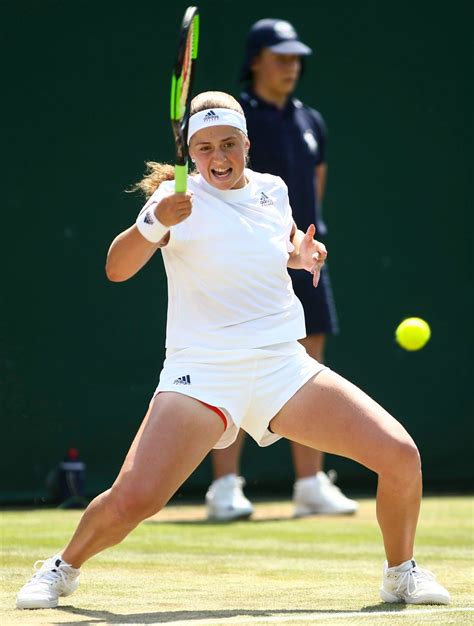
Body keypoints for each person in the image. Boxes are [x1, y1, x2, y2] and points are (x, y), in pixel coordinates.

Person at [16, 91, 450, 609]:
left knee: (400, 456)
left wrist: (302, 253)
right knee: (134, 500)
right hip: (202, 374)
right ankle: (62, 569)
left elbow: (281, 242)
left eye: (228, 144)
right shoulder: (171, 203)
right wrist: (154, 223)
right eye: (204, 148)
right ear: (189, 152)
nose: (218, 158)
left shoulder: (274, 191)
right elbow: (116, 267)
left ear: (247, 143)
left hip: (281, 366)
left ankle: (400, 573)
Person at [205, 18, 357, 521]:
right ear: (255, 62)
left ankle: (310, 483)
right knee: (233, 363)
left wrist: (300, 244)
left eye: (296, 58)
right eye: (280, 57)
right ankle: (225, 487)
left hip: (300, 251)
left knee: (308, 366)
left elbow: (316, 183)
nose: (291, 66)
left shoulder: (311, 120)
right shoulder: (235, 122)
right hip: (243, 259)